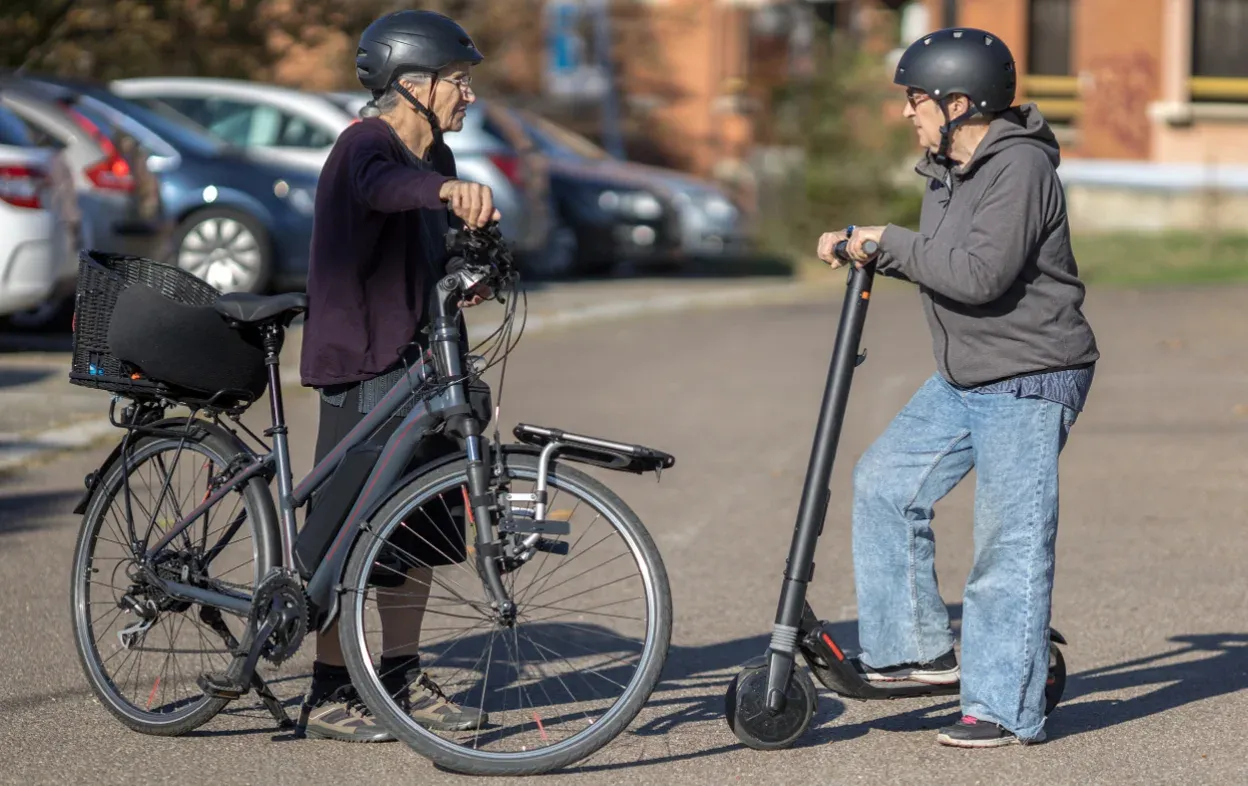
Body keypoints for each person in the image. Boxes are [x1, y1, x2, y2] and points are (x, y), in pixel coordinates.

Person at [817, 27, 1098, 748]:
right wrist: (866, 245)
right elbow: (940, 259)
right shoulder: (948, 170)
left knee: (1009, 542)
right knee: (885, 483)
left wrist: (889, 240)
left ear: (959, 102)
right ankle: (914, 652)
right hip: (968, 373)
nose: (906, 112)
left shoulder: (1020, 168)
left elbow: (978, 276)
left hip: (1030, 374)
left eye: (916, 99)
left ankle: (1002, 707)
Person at [293, 9, 501, 743]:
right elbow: (384, 189)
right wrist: (444, 193)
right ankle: (328, 689)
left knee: (422, 525)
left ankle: (403, 674)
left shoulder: (436, 154)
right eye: (458, 80)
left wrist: (466, 268)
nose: (468, 94)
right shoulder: (364, 145)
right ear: (412, 84)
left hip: (425, 364)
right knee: (348, 529)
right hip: (367, 362)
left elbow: (427, 239)